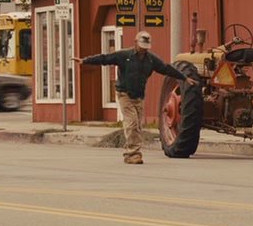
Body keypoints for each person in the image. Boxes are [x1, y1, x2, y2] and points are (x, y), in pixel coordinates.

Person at [73, 31, 197, 165]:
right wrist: (85, 61)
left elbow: (166, 69)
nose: (143, 50)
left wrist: (184, 78)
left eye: (146, 47)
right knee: (131, 123)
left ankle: (131, 152)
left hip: (139, 96)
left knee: (138, 126)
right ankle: (132, 154)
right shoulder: (124, 55)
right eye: (141, 46)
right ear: (135, 43)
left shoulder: (151, 59)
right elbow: (105, 58)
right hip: (124, 94)